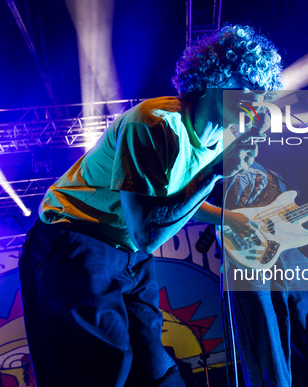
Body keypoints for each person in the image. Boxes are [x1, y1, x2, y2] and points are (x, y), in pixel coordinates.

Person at [18, 24, 282, 387]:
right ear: (218, 81)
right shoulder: (155, 123)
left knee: (157, 372)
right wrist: (215, 175)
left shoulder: (218, 141)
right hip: (77, 241)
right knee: (103, 367)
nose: (258, 103)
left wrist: (227, 217)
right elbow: (148, 232)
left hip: (129, 253)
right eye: (250, 90)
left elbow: (168, 203)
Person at [194, 161, 308, 386]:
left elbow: (293, 219)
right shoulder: (215, 158)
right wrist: (231, 218)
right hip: (247, 261)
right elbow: (188, 206)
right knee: (270, 357)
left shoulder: (278, 166)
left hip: (293, 258)